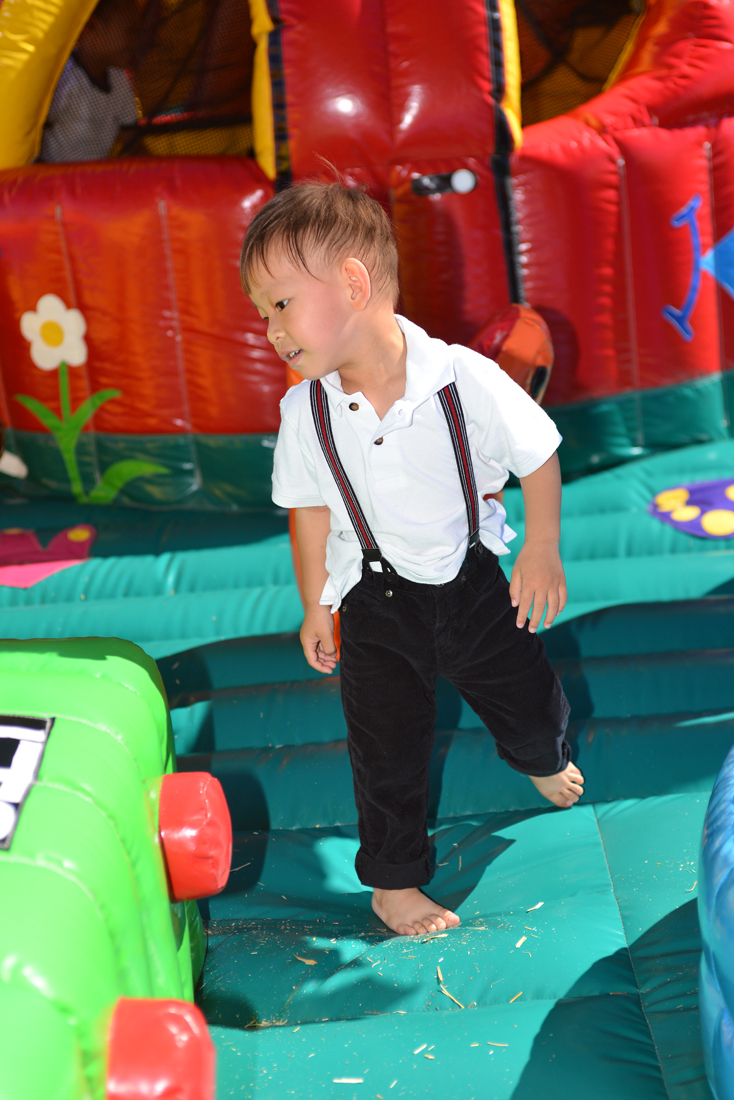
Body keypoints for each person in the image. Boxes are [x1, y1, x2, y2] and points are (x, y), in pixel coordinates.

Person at [240, 181, 584, 938]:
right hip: (374, 600)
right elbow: (307, 506)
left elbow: (540, 455)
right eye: (262, 311)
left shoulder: (463, 378)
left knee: (527, 701)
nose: (270, 327)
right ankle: (394, 884)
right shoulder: (308, 410)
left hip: (470, 585)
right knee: (384, 751)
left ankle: (537, 751)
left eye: (281, 303)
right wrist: (315, 601)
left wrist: (543, 548)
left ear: (354, 285)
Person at [40, 0, 138, 163]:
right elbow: (35, 135)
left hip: (93, 180)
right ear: (95, 28)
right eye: (130, 31)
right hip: (56, 180)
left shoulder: (119, 81)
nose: (135, 41)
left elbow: (132, 141)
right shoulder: (64, 77)